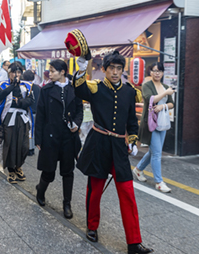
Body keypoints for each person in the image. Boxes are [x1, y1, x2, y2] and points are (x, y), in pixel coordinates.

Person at [74, 51, 153, 254]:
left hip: (118, 147)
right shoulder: (95, 87)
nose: (116, 72)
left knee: (127, 192)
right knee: (95, 190)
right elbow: (78, 89)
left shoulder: (129, 92)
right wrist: (82, 67)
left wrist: (134, 139)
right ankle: (92, 227)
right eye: (112, 68)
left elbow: (131, 122)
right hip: (98, 143)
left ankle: (134, 242)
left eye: (119, 68)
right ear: (104, 69)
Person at [35, 59, 83, 219]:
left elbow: (79, 110)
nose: (50, 73)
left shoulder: (74, 88)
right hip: (50, 136)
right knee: (48, 171)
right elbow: (40, 115)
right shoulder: (46, 90)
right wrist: (38, 139)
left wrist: (76, 123)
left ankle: (67, 204)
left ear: (62, 72)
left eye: (53, 70)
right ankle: (40, 191)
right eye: (50, 70)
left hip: (68, 136)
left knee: (68, 172)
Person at [133, 62, 175, 193]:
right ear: (150, 72)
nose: (157, 73)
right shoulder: (146, 85)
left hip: (163, 122)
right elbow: (149, 98)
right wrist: (165, 93)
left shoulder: (165, 86)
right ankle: (159, 182)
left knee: (153, 152)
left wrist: (163, 106)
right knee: (157, 153)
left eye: (159, 71)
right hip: (150, 123)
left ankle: (138, 169)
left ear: (163, 73)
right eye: (154, 70)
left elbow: (171, 104)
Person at [0, 61, 34, 184]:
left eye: (18, 72)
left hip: (22, 117)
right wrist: (13, 86)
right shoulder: (2, 85)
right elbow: (0, 95)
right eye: (13, 72)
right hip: (9, 117)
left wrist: (20, 103)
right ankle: (11, 170)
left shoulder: (27, 85)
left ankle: (19, 166)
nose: (16, 75)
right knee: (10, 144)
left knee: (24, 145)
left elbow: (31, 100)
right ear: (9, 73)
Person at [22, 70, 41, 156]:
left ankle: (28, 148)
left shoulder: (24, 86)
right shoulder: (37, 87)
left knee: (27, 130)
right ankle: (32, 148)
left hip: (27, 112)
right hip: (36, 112)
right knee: (33, 130)